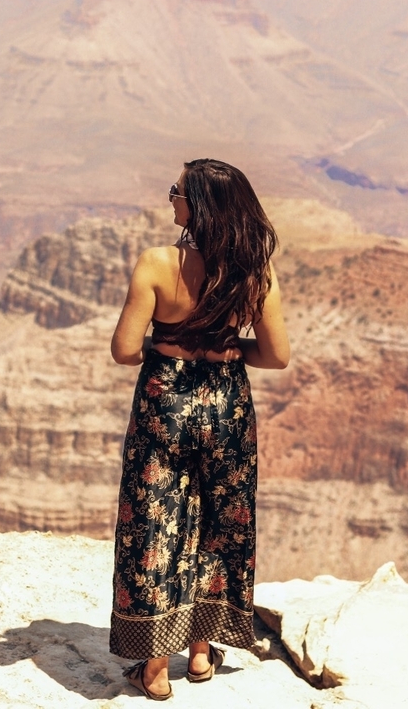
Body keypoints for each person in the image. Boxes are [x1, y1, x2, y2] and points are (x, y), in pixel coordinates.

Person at [109, 158, 290, 701]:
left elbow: (123, 350)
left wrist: (169, 347)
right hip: (229, 405)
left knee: (154, 526)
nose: (170, 198)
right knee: (222, 518)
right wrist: (226, 349)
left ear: (201, 204)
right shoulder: (254, 271)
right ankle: (204, 653)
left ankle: (156, 667)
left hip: (165, 403)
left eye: (178, 191)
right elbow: (277, 356)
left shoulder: (157, 264)